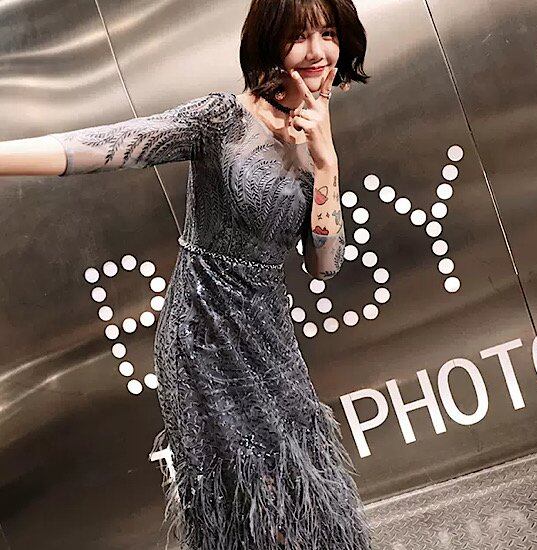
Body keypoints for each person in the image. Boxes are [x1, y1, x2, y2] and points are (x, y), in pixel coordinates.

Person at [0, 0, 371, 547]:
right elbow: (109, 146)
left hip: (269, 337)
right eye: (299, 35)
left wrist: (326, 162)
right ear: (269, 41)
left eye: (329, 33)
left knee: (303, 487)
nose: (317, 51)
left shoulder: (319, 133)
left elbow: (325, 263)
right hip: (200, 338)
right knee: (239, 504)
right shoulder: (222, 119)